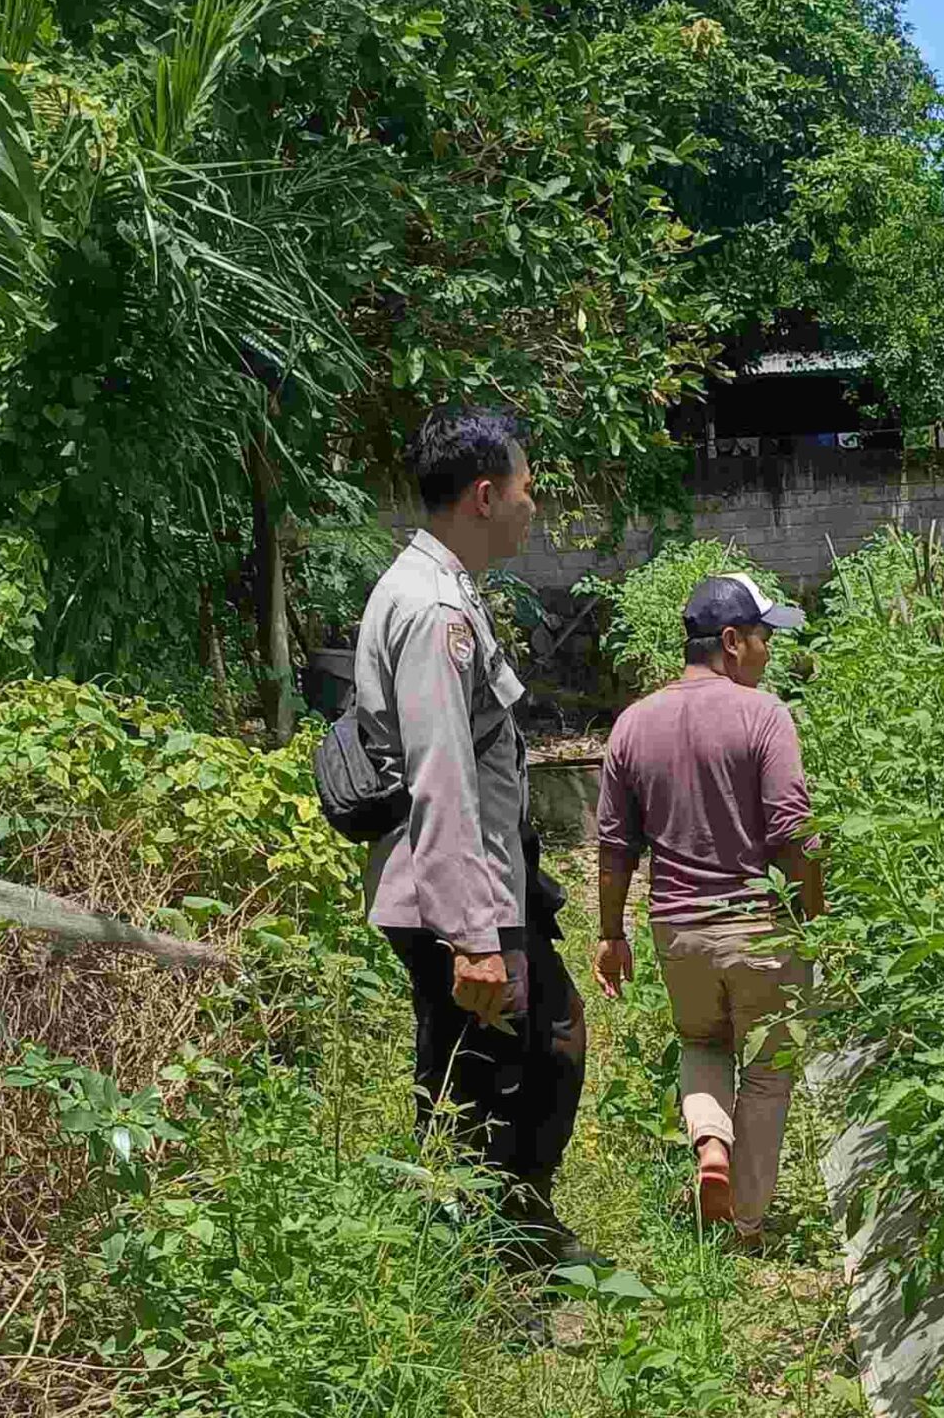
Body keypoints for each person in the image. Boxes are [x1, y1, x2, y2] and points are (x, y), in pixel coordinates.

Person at [353, 403, 597, 1268]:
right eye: (529, 489)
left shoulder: (439, 593)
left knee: (504, 1058)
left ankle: (505, 1240)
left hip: (472, 883)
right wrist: (473, 938)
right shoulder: (434, 614)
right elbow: (444, 778)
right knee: (504, 1069)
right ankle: (495, 1266)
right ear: (486, 496)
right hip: (458, 897)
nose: (537, 505)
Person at [593, 574, 823, 1243]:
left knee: (701, 1042)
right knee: (771, 1071)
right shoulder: (764, 715)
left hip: (679, 930)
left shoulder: (633, 724)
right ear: (730, 641)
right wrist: (813, 915)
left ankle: (711, 1144)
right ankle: (747, 1223)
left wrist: (611, 934)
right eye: (763, 636)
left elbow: (614, 846)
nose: (768, 651)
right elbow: (791, 831)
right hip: (760, 929)